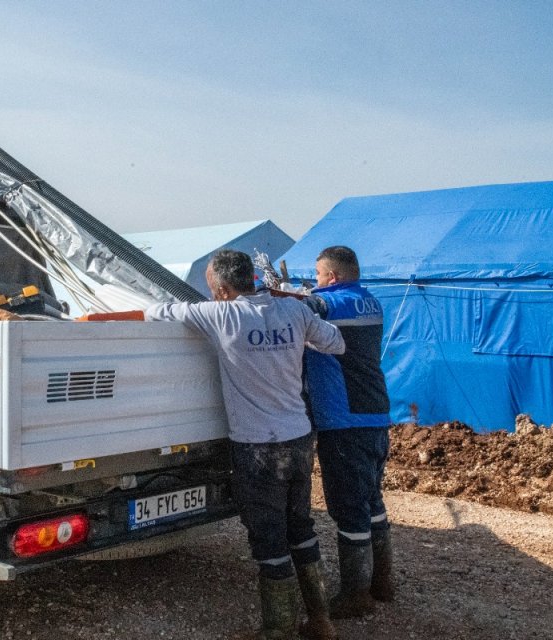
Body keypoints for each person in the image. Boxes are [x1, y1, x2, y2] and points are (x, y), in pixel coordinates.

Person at [146, 249, 345, 640]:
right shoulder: (294, 313)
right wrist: (297, 312)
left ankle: (279, 628)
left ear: (221, 290)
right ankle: (320, 621)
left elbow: (158, 311)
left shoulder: (220, 315)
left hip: (257, 447)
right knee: (300, 526)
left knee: (268, 537)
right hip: (298, 437)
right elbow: (335, 342)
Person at [297, 246, 394, 618]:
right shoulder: (370, 301)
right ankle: (382, 583)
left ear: (332, 277)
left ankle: (356, 595)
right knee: (372, 503)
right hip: (375, 414)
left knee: (348, 508)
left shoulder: (330, 304)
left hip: (344, 419)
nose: (318, 282)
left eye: (319, 276)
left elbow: (302, 308)